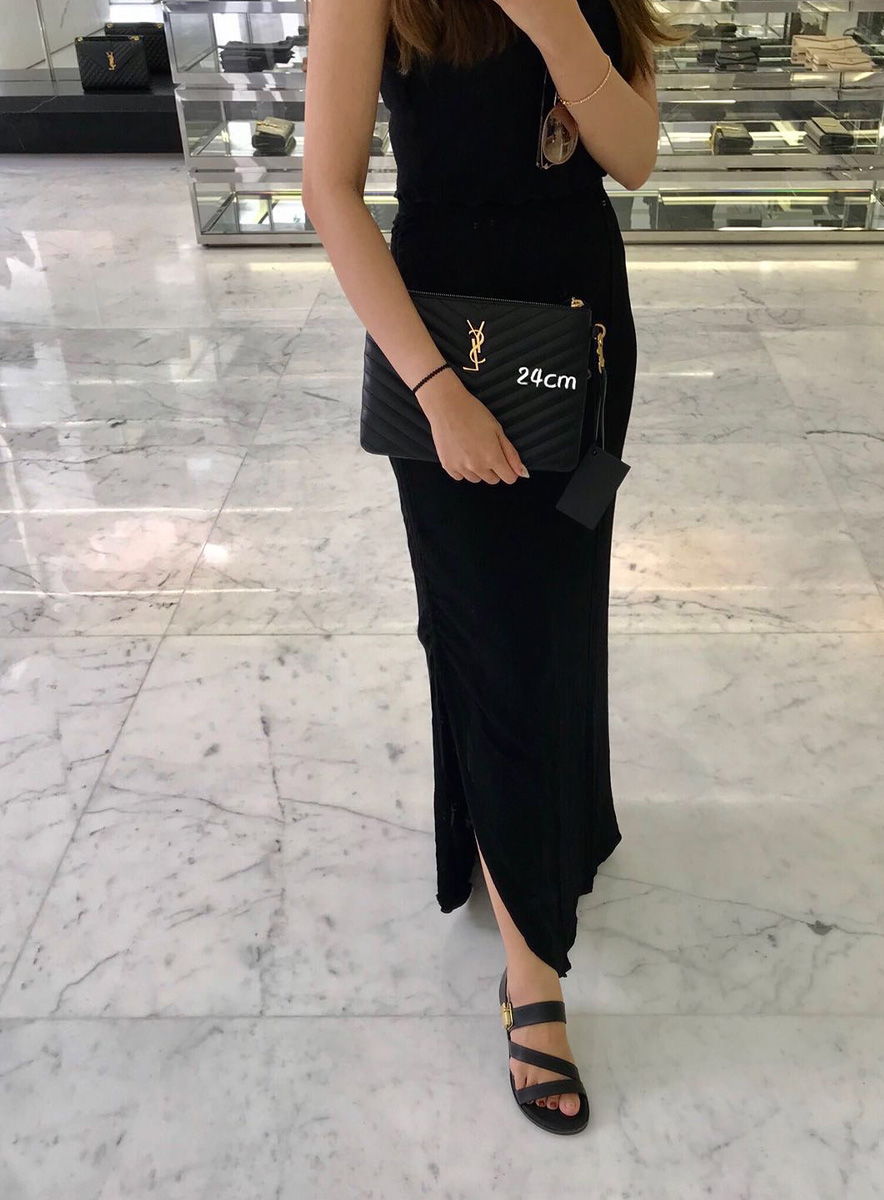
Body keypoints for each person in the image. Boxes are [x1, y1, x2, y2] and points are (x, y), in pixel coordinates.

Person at [304, 0, 673, 1134]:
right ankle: (532, 974)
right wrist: (431, 390)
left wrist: (558, 23)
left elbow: (635, 159)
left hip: (585, 339)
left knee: (560, 612)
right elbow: (330, 190)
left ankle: (562, 825)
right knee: (489, 639)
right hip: (450, 345)